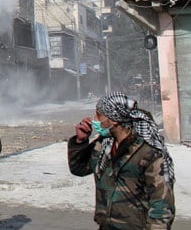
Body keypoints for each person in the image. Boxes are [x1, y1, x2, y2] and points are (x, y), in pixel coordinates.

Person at [68, 91, 175, 229]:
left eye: (99, 115)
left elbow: (162, 206)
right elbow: (79, 169)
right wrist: (80, 141)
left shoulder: (148, 152)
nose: (94, 119)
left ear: (113, 119)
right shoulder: (104, 146)